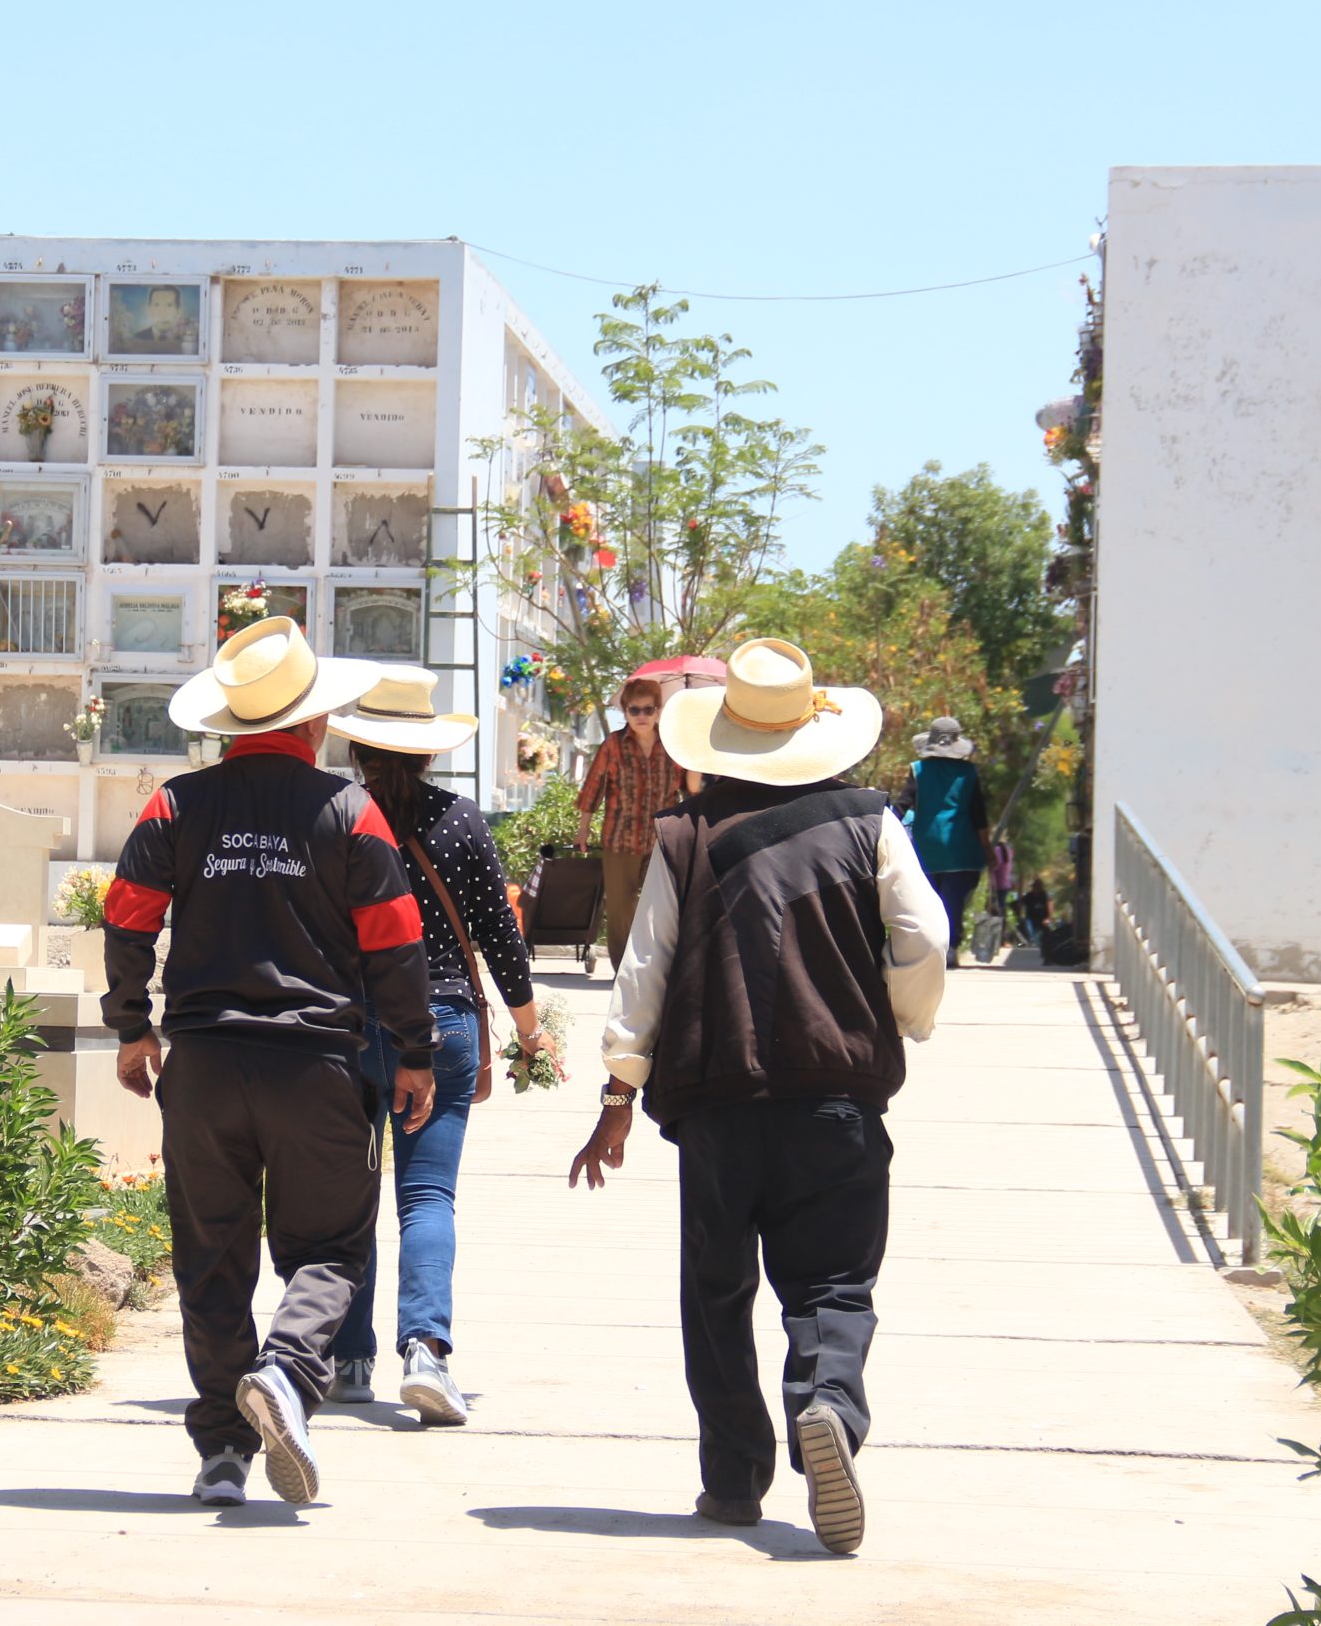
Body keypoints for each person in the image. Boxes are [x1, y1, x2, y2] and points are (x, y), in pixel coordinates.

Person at [566, 638, 946, 1553]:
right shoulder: (869, 824)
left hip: (719, 1103)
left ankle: (735, 1479)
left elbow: (642, 972)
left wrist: (619, 1095)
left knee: (717, 1287)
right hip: (838, 1098)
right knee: (833, 1282)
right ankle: (827, 1405)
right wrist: (902, 1017)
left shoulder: (686, 836)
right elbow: (923, 934)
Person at [105, 617, 440, 1507]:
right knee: (330, 1246)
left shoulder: (175, 803)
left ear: (230, 722)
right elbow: (396, 944)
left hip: (205, 1066)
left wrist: (133, 1026)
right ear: (314, 723)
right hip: (316, 1065)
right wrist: (413, 1051)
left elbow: (128, 911)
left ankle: (221, 1453)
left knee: (210, 1258)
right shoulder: (350, 810)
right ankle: (287, 1374)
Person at [322, 667, 556, 1424]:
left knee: (347, 1199)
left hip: (346, 1024)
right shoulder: (460, 821)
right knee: (426, 1196)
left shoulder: (333, 818)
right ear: (428, 753)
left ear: (360, 752)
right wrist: (529, 1028)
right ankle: (425, 1351)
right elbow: (499, 937)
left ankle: (347, 1358)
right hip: (443, 1020)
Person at [574, 676, 688, 972]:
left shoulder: (674, 744)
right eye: (634, 710)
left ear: (658, 711)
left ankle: (654, 969)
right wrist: (583, 829)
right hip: (620, 838)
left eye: (648, 710)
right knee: (621, 909)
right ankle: (623, 970)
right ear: (624, 712)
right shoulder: (613, 745)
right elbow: (592, 788)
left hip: (662, 840)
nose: (641, 717)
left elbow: (688, 789)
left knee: (659, 907)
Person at [896, 716, 990, 967]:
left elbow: (902, 806)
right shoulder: (968, 773)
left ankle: (931, 948)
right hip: (961, 849)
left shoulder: (918, 770)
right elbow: (978, 815)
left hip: (926, 849)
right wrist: (988, 851)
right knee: (954, 901)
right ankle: (951, 947)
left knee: (929, 901)